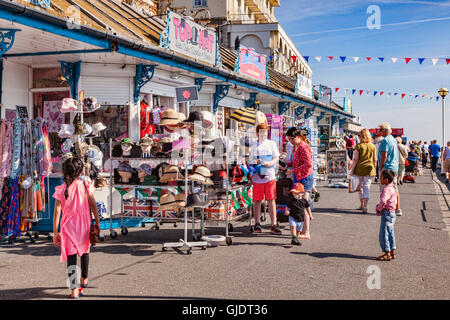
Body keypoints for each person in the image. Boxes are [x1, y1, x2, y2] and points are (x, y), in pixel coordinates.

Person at [53, 157, 100, 298]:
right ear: (80, 172)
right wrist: (97, 222)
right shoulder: (85, 185)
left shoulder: (61, 189)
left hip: (67, 227)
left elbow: (57, 211)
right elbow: (93, 205)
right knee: (85, 252)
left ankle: (74, 289)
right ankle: (84, 278)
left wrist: (55, 232)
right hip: (83, 226)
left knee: (71, 258)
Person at [250, 123, 281, 234]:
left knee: (271, 199)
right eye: (261, 132)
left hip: (269, 174)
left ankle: (273, 224)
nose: (263, 134)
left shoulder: (271, 143)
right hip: (257, 175)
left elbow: (276, 157)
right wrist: (255, 162)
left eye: (265, 132)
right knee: (257, 200)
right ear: (257, 133)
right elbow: (248, 160)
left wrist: (270, 163)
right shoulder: (253, 144)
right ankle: (257, 223)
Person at [285, 127, 314, 239]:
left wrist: (293, 170)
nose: (290, 142)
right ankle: (302, 230)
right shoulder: (295, 146)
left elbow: (308, 164)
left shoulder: (303, 147)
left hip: (305, 178)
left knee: (302, 205)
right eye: (289, 140)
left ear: (297, 137)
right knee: (299, 204)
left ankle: (306, 231)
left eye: (291, 139)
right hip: (298, 177)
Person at [349, 129, 376, 213]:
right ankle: (365, 206)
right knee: (367, 187)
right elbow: (375, 159)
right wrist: (374, 169)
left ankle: (362, 204)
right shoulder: (372, 146)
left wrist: (352, 170)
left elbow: (355, 159)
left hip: (360, 169)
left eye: (359, 135)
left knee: (360, 188)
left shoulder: (359, 146)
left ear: (362, 136)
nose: (358, 137)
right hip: (369, 169)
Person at [377, 122, 402, 216]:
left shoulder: (385, 141)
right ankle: (397, 208)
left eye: (380, 130)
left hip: (387, 167)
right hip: (394, 166)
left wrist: (380, 167)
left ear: (385, 130)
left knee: (384, 190)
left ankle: (386, 209)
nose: (379, 132)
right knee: (394, 188)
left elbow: (384, 154)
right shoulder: (393, 140)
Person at [375, 170, 398, 261]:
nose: (380, 179)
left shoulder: (386, 189)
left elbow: (383, 201)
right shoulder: (393, 188)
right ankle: (392, 251)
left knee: (384, 234)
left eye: (381, 178)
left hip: (386, 213)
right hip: (392, 213)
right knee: (390, 233)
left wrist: (379, 208)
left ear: (386, 180)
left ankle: (387, 252)